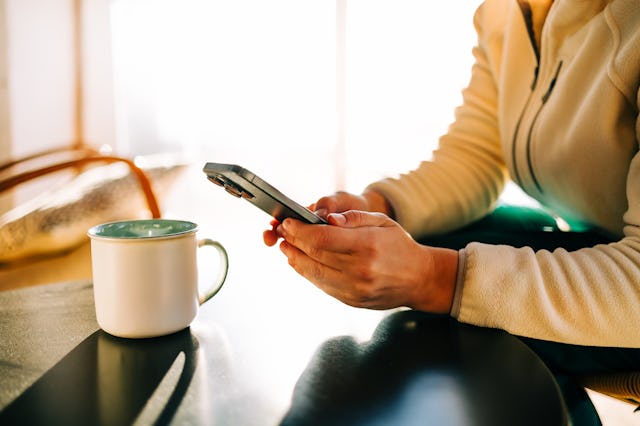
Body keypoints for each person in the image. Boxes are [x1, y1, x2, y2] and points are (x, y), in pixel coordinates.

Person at [265, 0, 639, 423]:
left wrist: (434, 278)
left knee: (454, 285)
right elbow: (475, 155)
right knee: (421, 247)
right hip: (600, 242)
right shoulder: (506, 14)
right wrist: (376, 206)